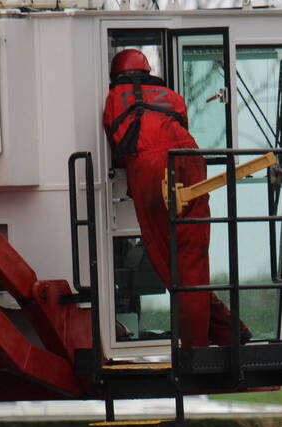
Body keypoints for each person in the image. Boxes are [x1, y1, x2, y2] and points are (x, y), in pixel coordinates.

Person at [102, 48, 247, 347]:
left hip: (151, 167)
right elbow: (179, 126)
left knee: (166, 260)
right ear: (147, 71)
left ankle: (197, 349)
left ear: (116, 75)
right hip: (190, 158)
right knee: (192, 258)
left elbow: (117, 145)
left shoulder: (114, 99)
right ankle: (227, 332)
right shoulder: (171, 96)